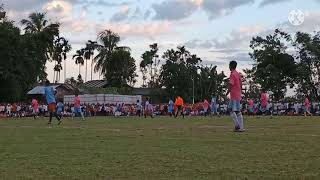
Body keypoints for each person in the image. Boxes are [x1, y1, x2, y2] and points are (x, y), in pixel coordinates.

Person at [226, 61, 244, 132]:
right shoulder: (237, 73)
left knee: (236, 111)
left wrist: (226, 93)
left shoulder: (233, 74)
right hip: (236, 94)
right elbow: (241, 84)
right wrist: (241, 92)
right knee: (230, 109)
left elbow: (231, 84)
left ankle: (240, 127)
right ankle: (237, 126)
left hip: (234, 95)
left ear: (230, 66)